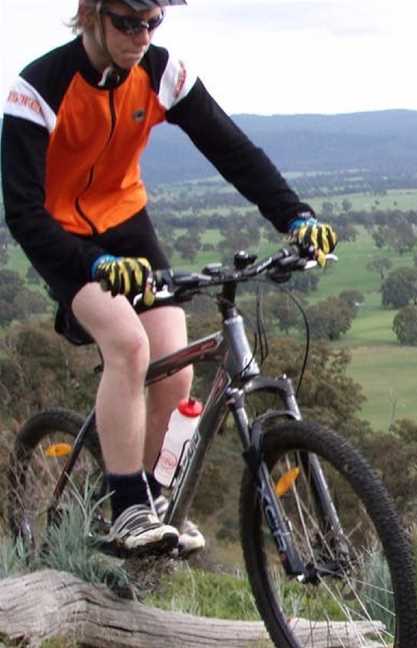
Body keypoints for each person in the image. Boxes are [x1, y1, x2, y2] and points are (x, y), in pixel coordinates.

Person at [1, 0, 336, 556]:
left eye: (153, 22)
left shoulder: (161, 73)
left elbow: (231, 149)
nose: (142, 35)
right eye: (128, 23)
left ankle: (153, 502)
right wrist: (91, 265)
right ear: (91, 15)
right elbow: (22, 212)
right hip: (61, 237)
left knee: (175, 371)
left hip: (126, 223)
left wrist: (295, 216)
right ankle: (127, 507)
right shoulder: (37, 88)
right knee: (129, 347)